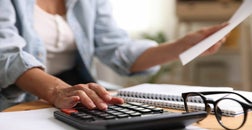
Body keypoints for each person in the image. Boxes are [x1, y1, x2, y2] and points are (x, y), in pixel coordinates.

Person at [0, 0, 226, 111]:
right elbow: (5, 54)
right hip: (17, 102)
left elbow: (117, 50)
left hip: (70, 101)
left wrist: (181, 46)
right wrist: (57, 90)